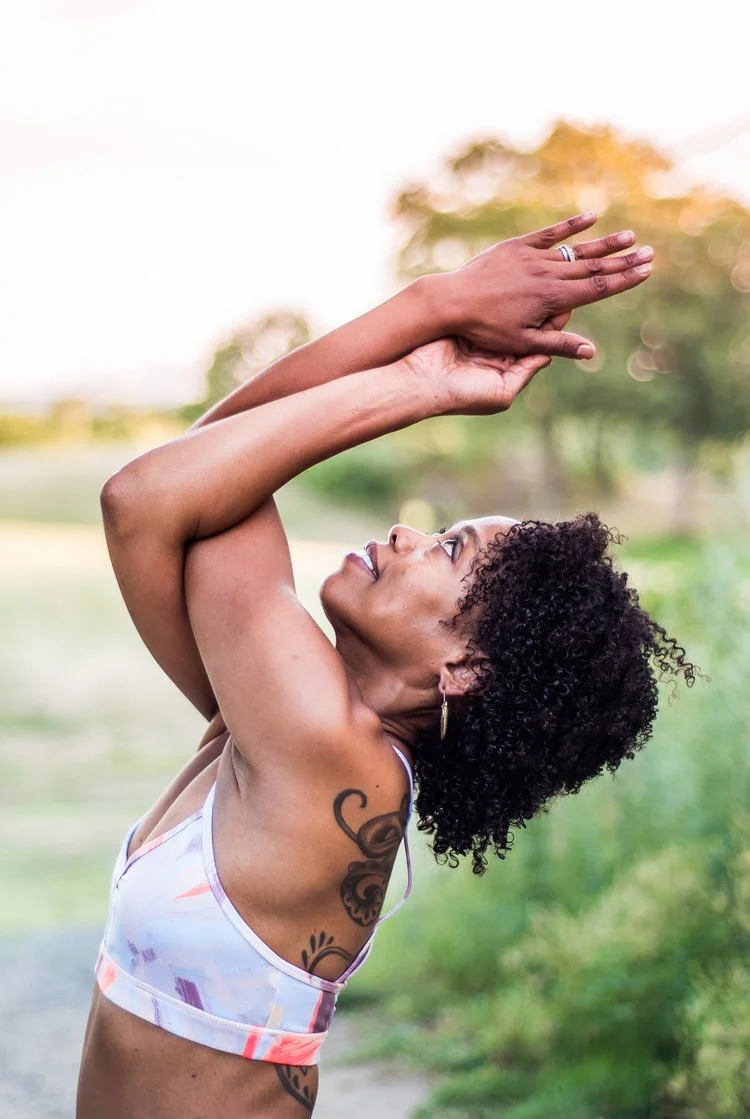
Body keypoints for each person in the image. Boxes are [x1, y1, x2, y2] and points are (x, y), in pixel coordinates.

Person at [77, 213, 692, 1118]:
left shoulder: (325, 747)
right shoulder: (284, 727)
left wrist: (420, 366)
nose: (407, 533)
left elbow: (147, 493)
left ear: (465, 666)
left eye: (446, 550)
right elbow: (194, 472)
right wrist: (431, 313)